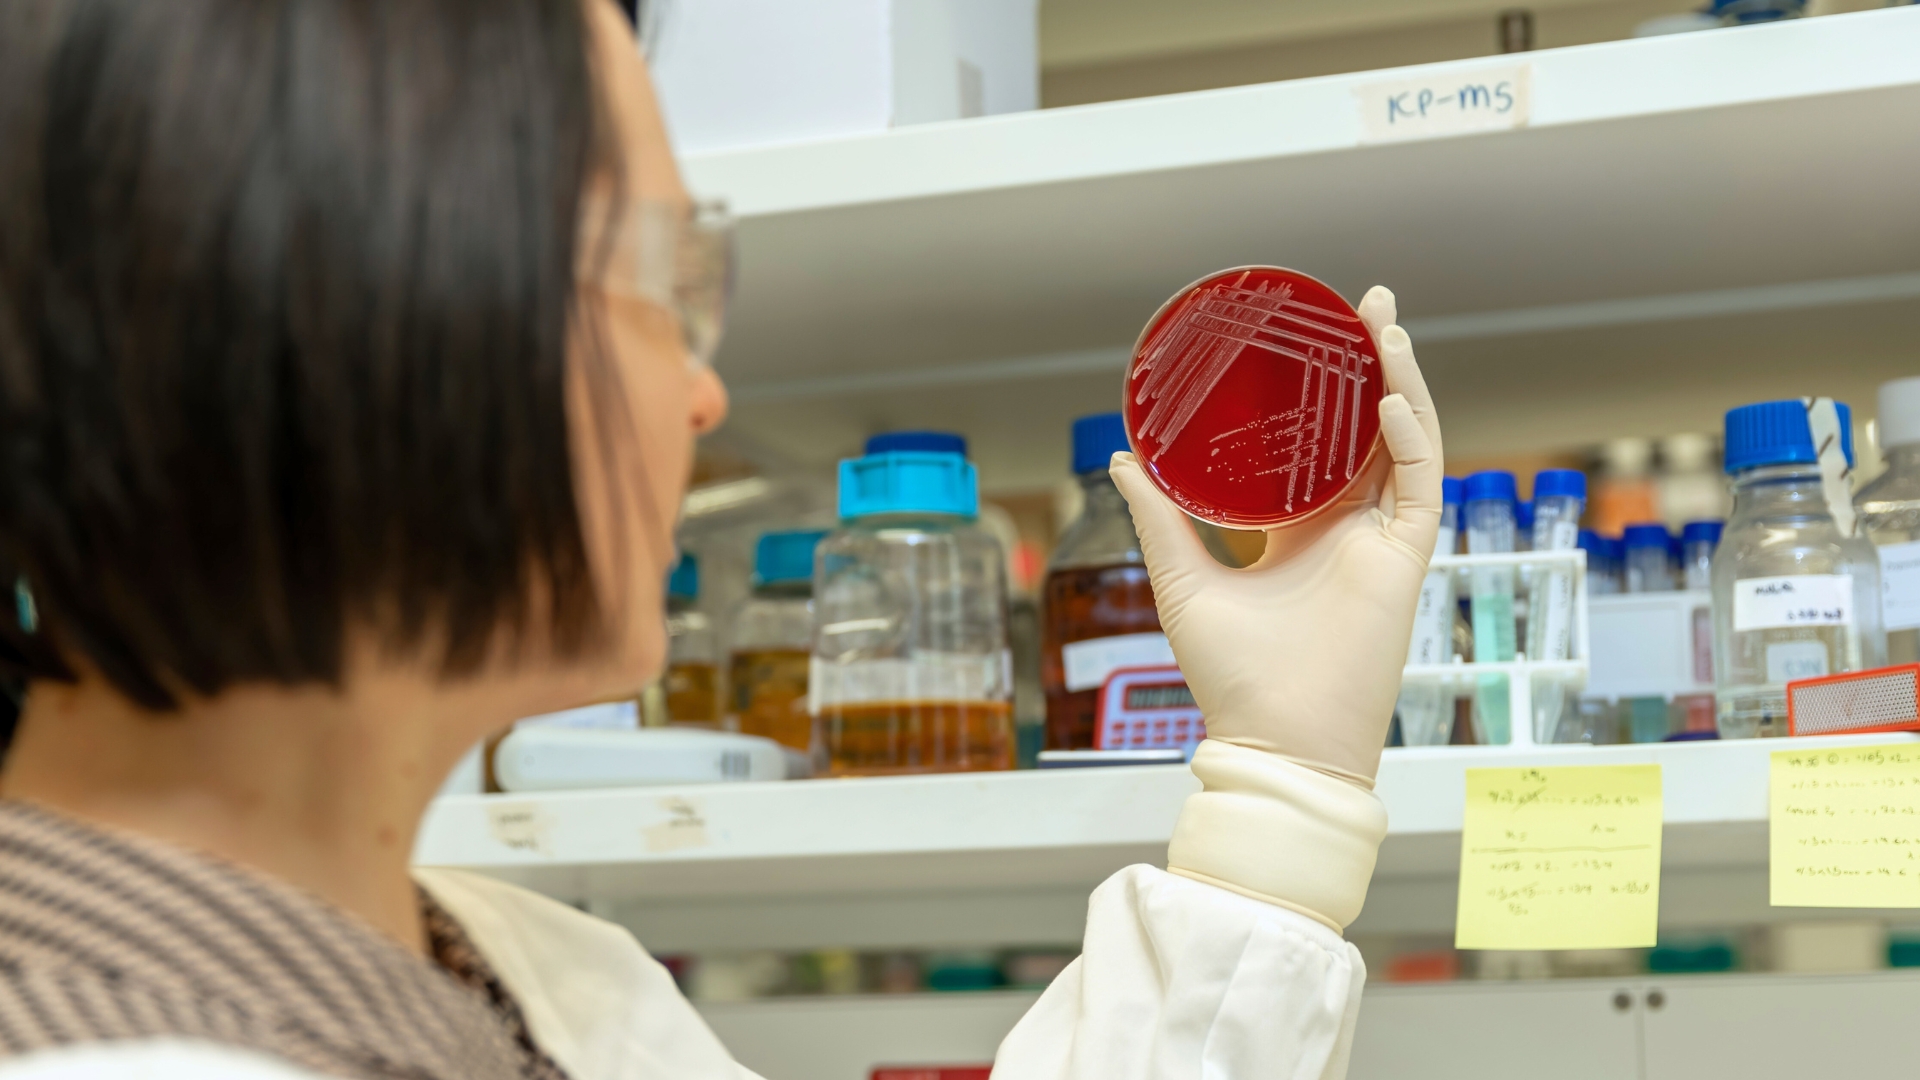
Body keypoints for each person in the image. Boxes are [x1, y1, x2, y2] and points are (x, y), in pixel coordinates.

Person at [0, 1, 1443, 1078]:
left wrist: (1284, 791)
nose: (705, 393)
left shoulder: (511, 971)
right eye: (661, 284)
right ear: (365, 302)